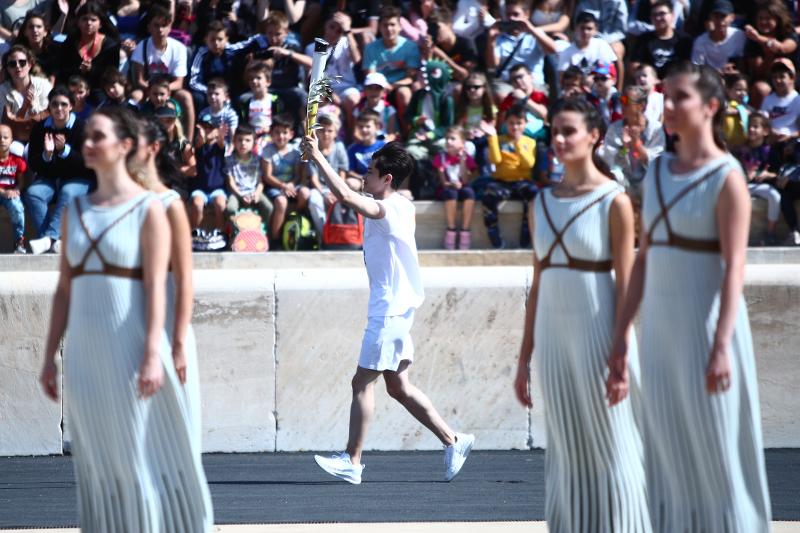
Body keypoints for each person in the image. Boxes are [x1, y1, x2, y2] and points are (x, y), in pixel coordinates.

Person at [608, 61, 772, 531]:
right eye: (667, 95)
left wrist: (722, 346)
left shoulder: (728, 176)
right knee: (666, 450)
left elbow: (734, 265)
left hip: (709, 326)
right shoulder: (656, 172)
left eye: (681, 97)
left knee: (718, 450)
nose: (670, 105)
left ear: (711, 107)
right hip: (660, 326)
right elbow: (643, 259)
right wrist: (621, 337)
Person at [38, 106, 213, 532]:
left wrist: (165, 348)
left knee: (143, 452)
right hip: (85, 348)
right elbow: (64, 287)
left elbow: (167, 284)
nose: (89, 144)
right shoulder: (73, 208)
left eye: (99, 136)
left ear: (126, 146)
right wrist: (50, 356)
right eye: (87, 138)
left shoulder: (156, 208)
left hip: (136, 337)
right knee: (97, 459)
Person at [303, 136, 475, 485]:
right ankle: (453, 441)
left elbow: (348, 197)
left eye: (370, 172)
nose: (365, 176)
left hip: (390, 312)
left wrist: (319, 156)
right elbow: (353, 190)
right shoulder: (400, 203)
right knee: (397, 387)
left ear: (388, 180)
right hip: (396, 310)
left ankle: (352, 460)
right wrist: (319, 162)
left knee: (361, 382)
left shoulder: (390, 210)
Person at [514, 96, 650, 533]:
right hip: (554, 337)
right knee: (567, 451)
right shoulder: (540, 203)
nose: (558, 139)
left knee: (615, 446)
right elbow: (537, 284)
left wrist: (621, 351)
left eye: (568, 130)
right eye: (554, 130)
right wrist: (523, 359)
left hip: (599, 329)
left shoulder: (615, 200)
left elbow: (628, 283)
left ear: (594, 136)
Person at [132, 115, 211, 453]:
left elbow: (183, 278)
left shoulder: (170, 204)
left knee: (176, 418)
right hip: (131, 317)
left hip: (165, 320)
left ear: (153, 149)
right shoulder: (123, 201)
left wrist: (178, 343)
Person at [26, 87, 93, 255]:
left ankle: (49, 239)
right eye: (54, 104)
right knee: (34, 193)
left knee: (68, 191)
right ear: (49, 107)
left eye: (64, 104)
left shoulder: (82, 128)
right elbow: (34, 164)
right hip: (49, 179)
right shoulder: (40, 128)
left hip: (78, 179)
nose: (59, 108)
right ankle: (51, 243)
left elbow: (87, 163)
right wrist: (46, 155)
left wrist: (64, 151)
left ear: (71, 106)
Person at [482, 105, 538, 249]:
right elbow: (495, 160)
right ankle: (493, 232)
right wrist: (492, 138)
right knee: (488, 194)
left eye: (519, 123)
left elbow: (528, 165)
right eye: (511, 123)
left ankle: (526, 234)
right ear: (506, 123)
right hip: (502, 182)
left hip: (522, 182)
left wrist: (518, 144)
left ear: (525, 124)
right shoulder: (499, 140)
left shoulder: (530, 142)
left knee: (533, 194)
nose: (515, 127)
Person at [486, 0, 557, 98]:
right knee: (502, 95)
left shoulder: (536, 34)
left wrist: (531, 29)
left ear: (526, 15)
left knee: (538, 98)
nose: (511, 18)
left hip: (534, 83)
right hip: (508, 84)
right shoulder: (499, 37)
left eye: (516, 14)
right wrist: (491, 41)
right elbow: (493, 66)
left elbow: (553, 50)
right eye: (508, 15)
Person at [733, 113, 782, 245]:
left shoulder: (770, 151)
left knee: (774, 196)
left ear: (765, 131)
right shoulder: (741, 150)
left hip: (761, 186)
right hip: (742, 186)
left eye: (755, 127)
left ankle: (770, 233)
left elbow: (778, 174)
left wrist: (768, 175)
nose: (751, 130)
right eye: (749, 127)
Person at [56, 1, 121, 98]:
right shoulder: (70, 42)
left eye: (93, 20)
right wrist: (78, 69)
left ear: (100, 24)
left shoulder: (110, 45)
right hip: (72, 90)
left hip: (100, 91)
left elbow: (112, 74)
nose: (88, 23)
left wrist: (92, 69)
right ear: (78, 22)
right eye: (84, 19)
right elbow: (62, 69)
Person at [225, 124, 273, 242]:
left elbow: (260, 182)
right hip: (237, 193)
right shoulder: (229, 159)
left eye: (247, 140)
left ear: (254, 142)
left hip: (253, 191)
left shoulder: (257, 159)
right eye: (239, 140)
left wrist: (257, 194)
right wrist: (240, 195)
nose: (243, 143)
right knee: (231, 208)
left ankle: (261, 231)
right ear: (234, 141)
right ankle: (235, 234)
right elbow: (230, 182)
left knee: (268, 207)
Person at [262, 116, 305, 242]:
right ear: (271, 134)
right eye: (277, 132)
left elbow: (297, 175)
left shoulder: (295, 151)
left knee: (304, 194)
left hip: (290, 186)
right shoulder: (268, 150)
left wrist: (290, 185)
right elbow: (267, 176)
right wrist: (283, 186)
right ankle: (275, 238)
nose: (281, 136)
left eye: (285, 132)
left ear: (291, 134)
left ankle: (296, 224)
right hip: (274, 187)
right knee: (281, 202)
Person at [0, 45, 52, 146]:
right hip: (13, 139)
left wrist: (33, 105)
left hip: (42, 134)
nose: (18, 66)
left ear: (30, 64)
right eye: (12, 64)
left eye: (22, 62)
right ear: (8, 69)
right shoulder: (2, 91)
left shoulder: (44, 85)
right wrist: (24, 108)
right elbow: (4, 124)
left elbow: (48, 116)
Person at [435, 126, 477, 250]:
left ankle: (465, 230)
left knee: (469, 193)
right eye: (447, 138)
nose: (448, 141)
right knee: (451, 193)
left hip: (462, 186)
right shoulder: (440, 157)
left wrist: (463, 162)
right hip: (447, 188)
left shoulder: (466, 157)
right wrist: (452, 184)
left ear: (462, 143)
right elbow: (443, 182)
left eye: (453, 139)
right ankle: (451, 229)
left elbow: (465, 180)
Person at [190, 114, 228, 247]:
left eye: (211, 128)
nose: (207, 131)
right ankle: (195, 234)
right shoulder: (199, 147)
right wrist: (201, 135)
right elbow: (199, 142)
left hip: (217, 188)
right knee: (197, 203)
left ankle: (220, 234)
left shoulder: (220, 148)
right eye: (205, 128)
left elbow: (222, 144)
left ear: (217, 131)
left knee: (220, 204)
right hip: (200, 188)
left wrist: (221, 136)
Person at [629, 0, 693, 78]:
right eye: (654, 15)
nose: (658, 18)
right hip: (651, 84)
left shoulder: (684, 40)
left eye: (662, 14)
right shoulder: (644, 39)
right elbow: (634, 65)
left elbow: (688, 67)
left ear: (672, 15)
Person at [690, 0, 746, 72]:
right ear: (711, 17)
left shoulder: (739, 35)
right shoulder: (700, 41)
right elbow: (697, 69)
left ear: (732, 17)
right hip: (711, 79)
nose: (720, 21)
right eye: (716, 16)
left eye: (723, 16)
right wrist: (720, 71)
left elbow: (742, 64)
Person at [0, 124, 27, 254]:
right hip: (3, 192)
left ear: (11, 140)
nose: (2, 140)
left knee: (17, 207)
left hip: (9, 194)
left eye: (6, 137)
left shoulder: (17, 160)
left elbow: (21, 181)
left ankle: (19, 242)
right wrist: (4, 192)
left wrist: (17, 189)